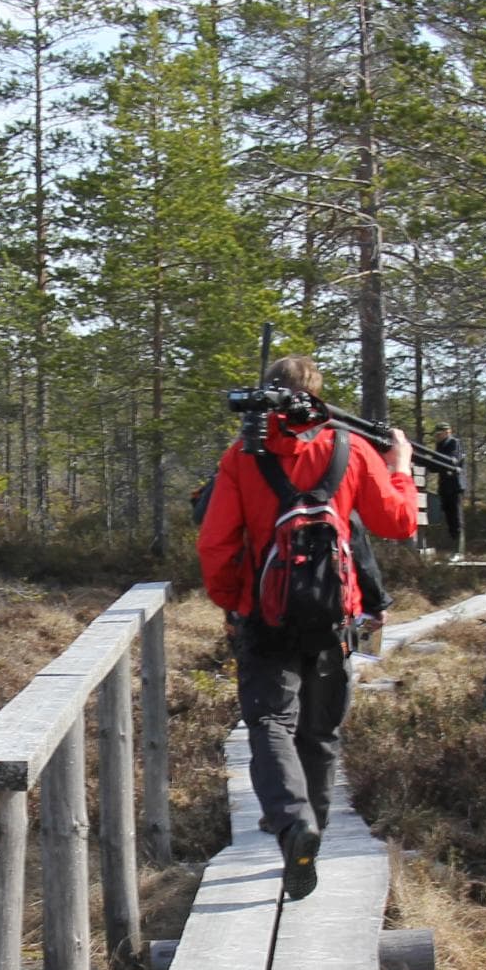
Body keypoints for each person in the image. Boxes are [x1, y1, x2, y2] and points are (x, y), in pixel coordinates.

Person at [196, 356, 420, 899]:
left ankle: (294, 823)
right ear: (316, 395)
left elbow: (215, 543)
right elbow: (399, 521)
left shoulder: (242, 458)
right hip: (333, 617)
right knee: (320, 733)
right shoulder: (349, 449)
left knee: (271, 721)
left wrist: (234, 605)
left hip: (265, 615)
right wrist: (401, 465)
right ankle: (312, 827)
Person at [431, 424, 465, 559]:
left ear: (447, 432)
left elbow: (452, 461)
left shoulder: (454, 443)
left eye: (440, 433)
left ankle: (458, 552)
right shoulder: (440, 445)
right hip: (444, 486)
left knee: (455, 518)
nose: (437, 436)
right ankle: (450, 549)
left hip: (454, 486)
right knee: (447, 518)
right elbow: (435, 466)